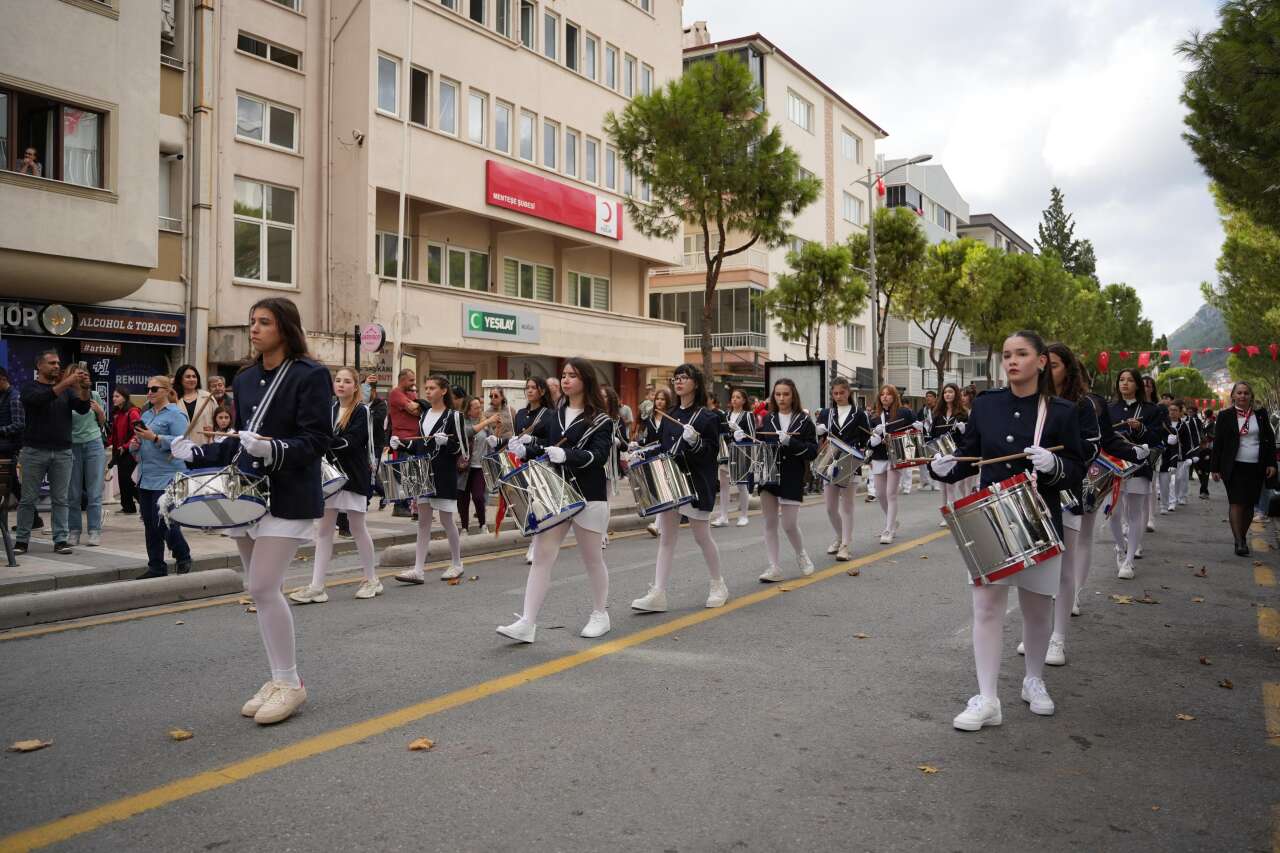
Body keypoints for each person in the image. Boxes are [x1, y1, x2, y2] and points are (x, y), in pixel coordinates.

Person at [169, 297, 331, 725]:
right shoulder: (243, 379)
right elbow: (238, 439)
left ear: (285, 328)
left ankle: (292, 683)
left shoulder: (311, 375)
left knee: (262, 586)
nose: (254, 329)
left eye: (264, 322)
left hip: (290, 494)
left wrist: (275, 447)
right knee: (259, 591)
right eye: (251, 322)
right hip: (246, 497)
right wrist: (197, 452)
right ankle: (278, 677)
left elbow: (318, 440)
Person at [928, 330, 1086, 731]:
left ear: (1040, 361)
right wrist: (943, 466)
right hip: (991, 516)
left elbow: (1078, 469)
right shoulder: (986, 405)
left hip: (1039, 517)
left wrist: (1054, 466)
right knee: (986, 608)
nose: (1012, 361)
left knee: (1036, 609)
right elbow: (969, 454)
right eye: (1007, 355)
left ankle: (1034, 680)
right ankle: (988, 698)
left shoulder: (1063, 411)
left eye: (1021, 354)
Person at [1040, 342, 1145, 666]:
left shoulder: (1083, 405)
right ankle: (1038, 631)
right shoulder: (1031, 401)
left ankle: (1058, 637)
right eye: (1045, 364)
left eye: (1054, 365)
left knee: (1065, 564)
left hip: (1071, 487)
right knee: (1039, 566)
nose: (1047, 371)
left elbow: (1097, 444)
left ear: (1068, 370)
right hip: (1036, 492)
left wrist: (1134, 452)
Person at [496, 359, 614, 642]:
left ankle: (600, 613)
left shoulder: (601, 419)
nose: (566, 380)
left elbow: (598, 457)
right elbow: (545, 449)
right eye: (563, 375)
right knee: (541, 556)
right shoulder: (552, 415)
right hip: (556, 492)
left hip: (589, 495)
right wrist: (524, 449)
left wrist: (567, 455)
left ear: (586, 380)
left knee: (592, 559)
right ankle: (527, 622)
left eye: (572, 375)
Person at [630, 363, 729, 612]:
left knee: (701, 535)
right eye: (676, 378)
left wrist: (695, 441)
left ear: (695, 382)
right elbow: (663, 448)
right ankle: (658, 593)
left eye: (684, 378)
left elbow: (710, 454)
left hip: (696, 482)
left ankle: (718, 584)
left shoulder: (708, 417)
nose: (679, 382)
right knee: (666, 538)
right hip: (670, 482)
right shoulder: (669, 415)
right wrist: (640, 452)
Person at [290, 367, 381, 603]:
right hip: (328, 476)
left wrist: (321, 441)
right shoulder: (327, 408)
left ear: (355, 386)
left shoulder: (362, 411)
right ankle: (317, 585)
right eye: (338, 380)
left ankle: (372, 579)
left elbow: (352, 442)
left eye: (347, 381)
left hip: (353, 475)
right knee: (323, 530)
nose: (341, 384)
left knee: (357, 526)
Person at [14, 351, 90, 556]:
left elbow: (82, 409)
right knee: (28, 499)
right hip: (34, 451)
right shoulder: (29, 387)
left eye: (58, 363)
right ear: (39, 366)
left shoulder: (66, 390)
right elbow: (41, 400)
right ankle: (22, 540)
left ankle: (60, 540)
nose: (57, 366)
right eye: (52, 363)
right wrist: (67, 383)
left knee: (60, 499)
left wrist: (84, 388)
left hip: (63, 451)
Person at [391, 375, 465, 583]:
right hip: (424, 474)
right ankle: (418, 569)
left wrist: (446, 444)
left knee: (446, 520)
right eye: (426, 388)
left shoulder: (454, 416)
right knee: (423, 522)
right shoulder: (423, 417)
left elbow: (461, 449)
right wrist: (402, 444)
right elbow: (420, 445)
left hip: (444, 474)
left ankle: (457, 563)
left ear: (443, 391)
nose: (428, 391)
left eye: (432, 388)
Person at [750, 378, 818, 582]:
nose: (781, 398)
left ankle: (801, 554)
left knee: (789, 524)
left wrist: (791, 442)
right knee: (769, 523)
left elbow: (813, 451)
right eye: (778, 394)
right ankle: (774, 566)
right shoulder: (766, 419)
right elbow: (757, 447)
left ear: (793, 395)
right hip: (768, 476)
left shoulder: (804, 421)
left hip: (792, 475)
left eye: (785, 394)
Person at [130, 376, 193, 579]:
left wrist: (155, 438)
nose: (149, 392)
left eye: (154, 389)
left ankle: (182, 554)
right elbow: (140, 444)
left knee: (164, 519)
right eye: (147, 389)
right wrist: (136, 444)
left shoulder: (176, 415)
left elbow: (182, 444)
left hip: (168, 474)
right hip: (146, 474)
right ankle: (156, 566)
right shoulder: (146, 414)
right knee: (150, 523)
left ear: (166, 390)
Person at [1107, 368, 1166, 579]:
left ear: (1138, 385)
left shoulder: (1151, 410)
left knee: (1135, 513)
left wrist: (1141, 429)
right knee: (1113, 513)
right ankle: (1120, 547)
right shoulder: (1109, 408)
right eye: (1121, 380)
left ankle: (1129, 560)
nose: (1125, 384)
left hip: (1139, 467)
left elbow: (1158, 438)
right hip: (1112, 468)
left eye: (1130, 380)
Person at [1211, 381, 1277, 556]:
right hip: (1233, 466)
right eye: (1239, 393)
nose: (1242, 396)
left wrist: (1271, 463)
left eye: (1246, 393)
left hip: (1256, 466)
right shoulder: (1225, 416)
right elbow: (1218, 443)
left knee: (1249, 504)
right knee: (1236, 502)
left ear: (1251, 396)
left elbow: (1269, 441)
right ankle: (1239, 541)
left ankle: (1242, 535)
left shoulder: (1261, 415)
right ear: (1233, 396)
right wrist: (1215, 468)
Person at [815, 376, 869, 561]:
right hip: (829, 459)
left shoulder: (859, 414)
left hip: (850, 460)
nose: (838, 396)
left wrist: (866, 450)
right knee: (830, 507)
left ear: (849, 393)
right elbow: (820, 439)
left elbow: (866, 439)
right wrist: (819, 432)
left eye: (842, 393)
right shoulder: (826, 414)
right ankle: (840, 536)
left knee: (847, 506)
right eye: (835, 393)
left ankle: (846, 544)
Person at [866, 384, 919, 545]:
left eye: (888, 394)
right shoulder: (874, 416)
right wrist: (875, 438)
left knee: (891, 494)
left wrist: (919, 427)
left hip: (897, 456)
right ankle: (892, 520)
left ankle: (888, 529)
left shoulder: (904, 413)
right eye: (882, 394)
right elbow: (867, 441)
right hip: (879, 457)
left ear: (894, 397)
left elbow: (916, 433)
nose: (885, 397)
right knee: (880, 494)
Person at [66, 366, 107, 546]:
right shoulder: (66, 396)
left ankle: (94, 530)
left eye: (86, 375)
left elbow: (103, 422)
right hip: (72, 445)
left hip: (93, 443)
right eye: (79, 375)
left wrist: (99, 411)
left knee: (94, 492)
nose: (84, 377)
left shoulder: (95, 395)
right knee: (73, 493)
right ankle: (74, 530)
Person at [713, 387, 755, 528]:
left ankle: (744, 515)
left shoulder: (748, 415)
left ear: (743, 400)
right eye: (733, 397)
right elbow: (722, 434)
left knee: (741, 485)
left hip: (741, 452)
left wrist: (739, 433)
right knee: (724, 486)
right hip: (726, 454)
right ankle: (723, 516)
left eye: (738, 397)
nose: (734, 399)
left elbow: (752, 436)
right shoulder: (725, 415)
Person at [635, 387, 673, 538]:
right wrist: (638, 445)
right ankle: (662, 524)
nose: (659, 401)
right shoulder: (650, 418)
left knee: (664, 489)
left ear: (667, 401)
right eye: (657, 399)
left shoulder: (670, 417)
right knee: (658, 491)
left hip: (666, 456)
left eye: (663, 399)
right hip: (652, 457)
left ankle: (657, 525)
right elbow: (649, 439)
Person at [929, 383, 969, 525]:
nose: (947, 394)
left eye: (951, 392)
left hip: (955, 454)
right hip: (940, 454)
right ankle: (945, 513)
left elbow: (969, 436)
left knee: (951, 485)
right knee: (943, 487)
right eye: (945, 392)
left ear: (956, 394)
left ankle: (951, 515)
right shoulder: (937, 414)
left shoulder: (963, 414)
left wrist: (964, 430)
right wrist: (934, 453)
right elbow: (932, 435)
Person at [386, 369, 421, 517]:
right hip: (401, 439)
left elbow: (419, 410)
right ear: (402, 380)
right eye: (411, 380)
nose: (414, 383)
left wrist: (417, 407)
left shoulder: (411, 393)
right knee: (402, 473)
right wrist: (416, 406)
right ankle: (400, 506)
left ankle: (412, 507)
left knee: (412, 473)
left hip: (414, 439)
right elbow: (415, 409)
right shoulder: (396, 393)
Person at [457, 396, 489, 534]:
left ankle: (483, 524)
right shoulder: (462, 422)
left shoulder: (484, 423)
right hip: (464, 467)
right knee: (463, 498)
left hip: (479, 467)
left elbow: (492, 441)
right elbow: (468, 432)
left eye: (480, 407)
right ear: (468, 411)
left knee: (478, 496)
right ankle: (464, 527)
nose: (479, 409)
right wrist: (487, 421)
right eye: (476, 407)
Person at [107, 389, 142, 515]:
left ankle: (143, 501)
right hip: (120, 451)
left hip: (131, 450)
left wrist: (126, 446)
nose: (114, 398)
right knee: (122, 479)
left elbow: (138, 432)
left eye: (117, 396)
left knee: (126, 478)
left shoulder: (133, 412)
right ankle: (128, 507)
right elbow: (115, 434)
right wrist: (108, 443)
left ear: (125, 397)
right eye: (113, 396)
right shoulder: (118, 413)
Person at [0, 369, 24, 516]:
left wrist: (1, 430)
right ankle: (33, 517)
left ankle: (33, 516)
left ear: (2, 379)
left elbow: (20, 424)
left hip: (8, 447)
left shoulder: (14, 398)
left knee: (12, 483)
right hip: (4, 446)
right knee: (12, 483)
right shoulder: (4, 396)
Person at [174, 364, 216, 447]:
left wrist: (214, 430)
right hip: (180, 448)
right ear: (180, 379)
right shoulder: (173, 399)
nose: (192, 379)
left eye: (194, 376)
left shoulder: (208, 397)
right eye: (188, 376)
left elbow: (219, 419)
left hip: (204, 447)